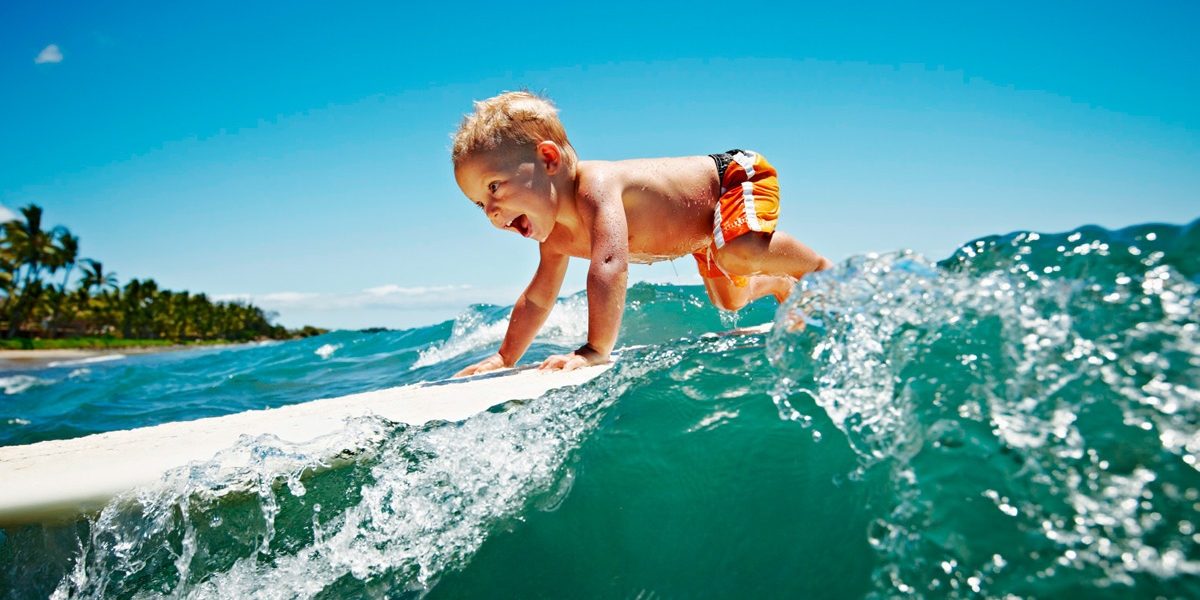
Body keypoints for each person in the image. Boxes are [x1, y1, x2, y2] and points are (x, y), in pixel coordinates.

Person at [451, 91, 831, 376]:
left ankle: (820, 271)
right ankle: (780, 284)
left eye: (494, 187)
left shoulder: (596, 187)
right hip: (702, 233)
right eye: (478, 204)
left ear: (549, 160)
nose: (490, 211)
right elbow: (538, 299)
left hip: (731, 178)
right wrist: (505, 357)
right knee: (729, 301)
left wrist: (595, 349)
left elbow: (610, 264)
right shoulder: (556, 238)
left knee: (738, 253)